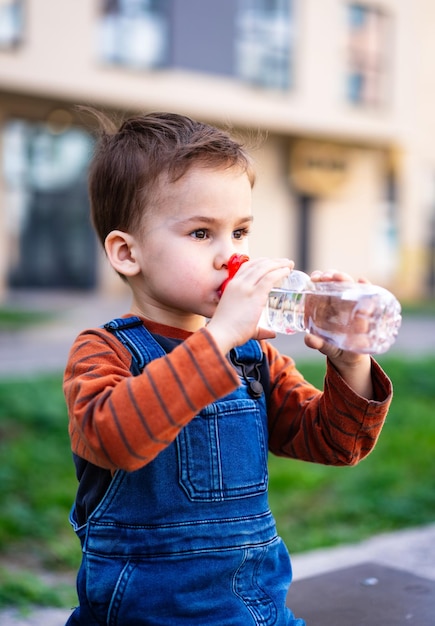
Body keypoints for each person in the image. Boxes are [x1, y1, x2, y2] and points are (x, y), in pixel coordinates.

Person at [63, 111, 393, 626]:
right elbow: (114, 438)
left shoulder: (252, 356)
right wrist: (218, 338)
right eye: (201, 233)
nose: (231, 256)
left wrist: (351, 361)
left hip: (255, 604)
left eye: (240, 232)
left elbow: (334, 441)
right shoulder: (106, 352)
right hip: (147, 612)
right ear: (128, 253)